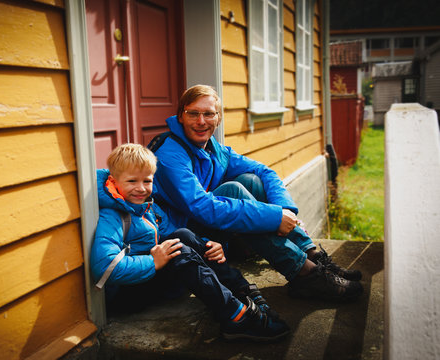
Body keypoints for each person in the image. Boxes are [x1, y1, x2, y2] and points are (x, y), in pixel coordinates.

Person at [150, 85, 364, 302]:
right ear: (180, 116)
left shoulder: (213, 149)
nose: (201, 121)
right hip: (179, 239)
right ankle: (304, 273)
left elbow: (265, 171)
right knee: (233, 191)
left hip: (202, 227)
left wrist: (285, 210)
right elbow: (202, 208)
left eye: (208, 114)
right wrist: (273, 217)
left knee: (251, 181)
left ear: (218, 118)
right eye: (193, 113)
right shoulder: (170, 154)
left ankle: (312, 256)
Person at [90, 143, 290, 342]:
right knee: (181, 254)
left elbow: (172, 234)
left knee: (183, 235)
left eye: (147, 181)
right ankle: (236, 316)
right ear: (113, 180)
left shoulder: (144, 206)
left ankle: (244, 292)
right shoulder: (112, 216)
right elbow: (105, 267)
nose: (141, 188)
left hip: (149, 279)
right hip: (126, 296)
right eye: (132, 181)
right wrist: (153, 262)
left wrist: (207, 245)